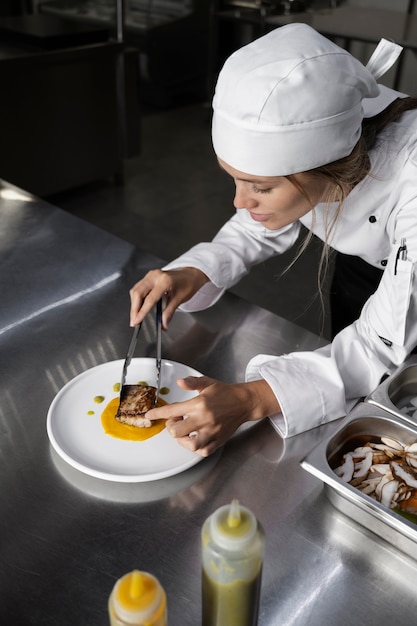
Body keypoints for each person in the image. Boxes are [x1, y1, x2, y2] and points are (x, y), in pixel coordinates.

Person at [129, 23, 417, 457]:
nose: (239, 200)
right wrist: (198, 268)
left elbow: (382, 342)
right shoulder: (325, 156)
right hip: (364, 273)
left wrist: (252, 399)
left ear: (329, 168)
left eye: (258, 187)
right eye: (235, 180)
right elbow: (263, 217)